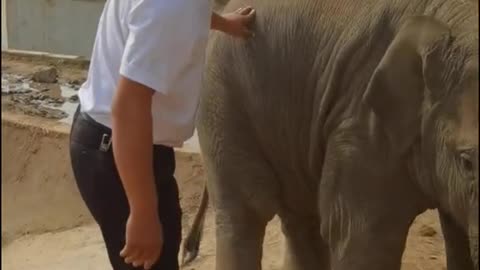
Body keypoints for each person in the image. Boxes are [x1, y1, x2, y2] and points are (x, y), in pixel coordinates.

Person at [69, 1, 256, 269]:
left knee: (162, 255)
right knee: (151, 258)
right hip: (120, 150)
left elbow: (179, 18)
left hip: (115, 142)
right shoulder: (171, 7)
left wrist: (223, 23)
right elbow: (129, 106)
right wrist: (142, 211)